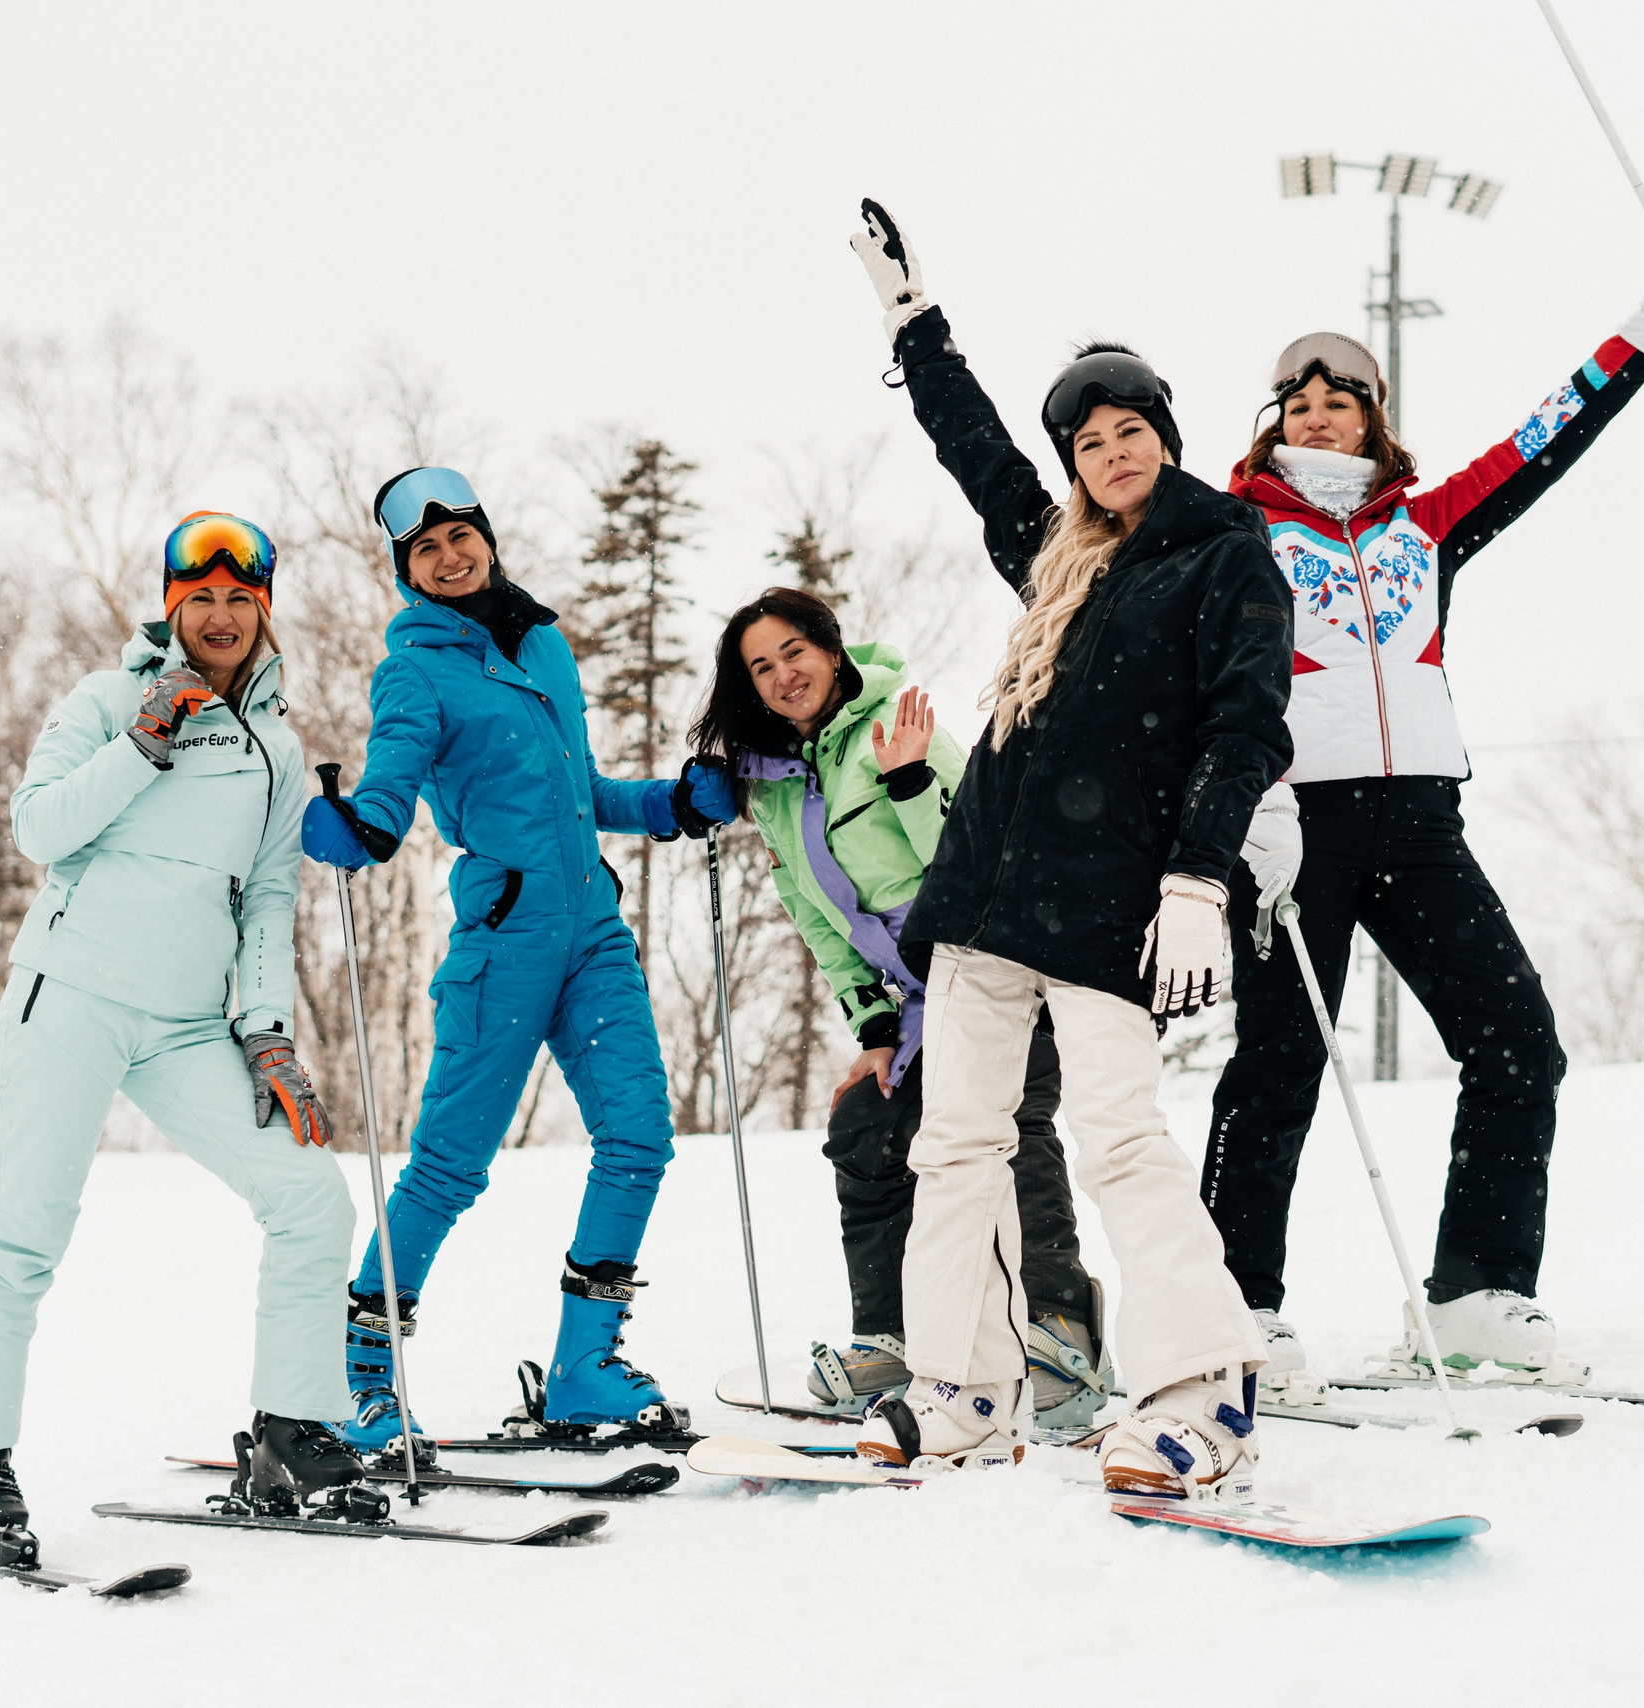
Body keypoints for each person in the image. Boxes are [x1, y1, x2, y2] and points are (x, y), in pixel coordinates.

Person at [841, 200, 1299, 1497]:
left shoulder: (1221, 558)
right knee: (956, 1143)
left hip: (1110, 902)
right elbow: (979, 456)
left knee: (1118, 1142)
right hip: (987, 895)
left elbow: (1244, 725)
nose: (1109, 453)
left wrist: (1200, 877)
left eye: (1129, 430)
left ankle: (1203, 1391)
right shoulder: (1057, 560)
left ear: (1165, 437)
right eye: (1088, 441)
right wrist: (916, 327)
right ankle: (966, 1386)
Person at [1202, 258, 1644, 1383]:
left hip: (1420, 824)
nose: (1319, 411)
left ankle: (1477, 1294)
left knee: (1518, 1040)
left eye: (1341, 397)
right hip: (1292, 829)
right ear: (1273, 422)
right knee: (1279, 1066)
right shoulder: (1227, 529)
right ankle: (1231, 1311)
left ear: (1374, 417)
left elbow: (1547, 436)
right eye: (1298, 399)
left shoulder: (1423, 525)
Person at [0, 512, 368, 1565]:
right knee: (22, 1235)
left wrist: (266, 1035)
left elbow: (266, 897)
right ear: (173, 608)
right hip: (68, 994)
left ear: (263, 610)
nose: (218, 615)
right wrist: (142, 742)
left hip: (183, 1024)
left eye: (238, 599)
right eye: (199, 598)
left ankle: (290, 1435)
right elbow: (39, 828)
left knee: (310, 1195)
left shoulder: (278, 744)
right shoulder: (108, 699)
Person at [302, 467, 737, 1450]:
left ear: (486, 538)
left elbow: (578, 792)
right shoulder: (414, 667)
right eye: (425, 549)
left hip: (591, 933)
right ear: (406, 571)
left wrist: (671, 805)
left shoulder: (543, 645)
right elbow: (394, 779)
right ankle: (360, 1372)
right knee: (451, 1164)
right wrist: (362, 828)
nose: (450, 556)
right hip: (504, 940)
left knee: (639, 1140)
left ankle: (584, 1369)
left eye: (461, 536)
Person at [689, 587, 1111, 1427]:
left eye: (794, 653)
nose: (783, 676)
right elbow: (816, 913)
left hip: (999, 962)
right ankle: (896, 1337)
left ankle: (1061, 1327)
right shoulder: (774, 786)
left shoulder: (898, 725)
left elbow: (980, 858)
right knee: (868, 1131)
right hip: (917, 998)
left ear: (832, 650)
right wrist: (874, 1026)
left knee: (1009, 1126)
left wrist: (911, 778)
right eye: (761, 667)